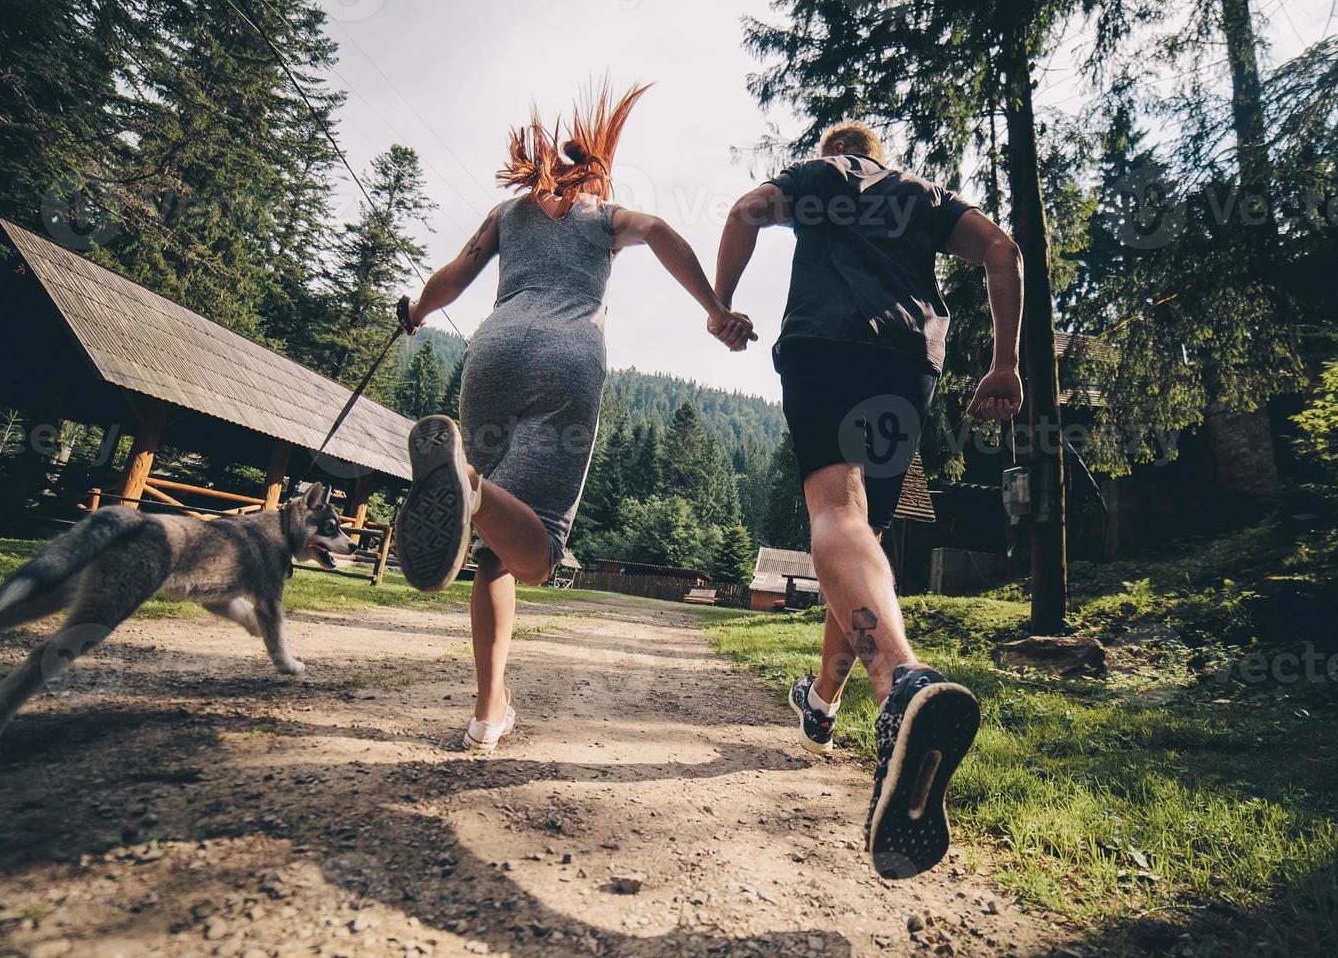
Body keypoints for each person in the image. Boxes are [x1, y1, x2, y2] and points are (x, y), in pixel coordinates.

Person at [395, 83, 757, 752]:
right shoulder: (604, 217)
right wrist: (713, 306)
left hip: (492, 353)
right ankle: (468, 487)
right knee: (537, 558)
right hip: (565, 360)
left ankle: (486, 715)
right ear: (596, 176)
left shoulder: (509, 213)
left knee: (492, 559)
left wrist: (416, 313)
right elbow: (662, 232)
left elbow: (459, 270)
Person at [714, 120, 1024, 879]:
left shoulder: (819, 177)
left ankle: (902, 684)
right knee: (863, 544)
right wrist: (1004, 362)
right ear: (881, 154)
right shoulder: (921, 193)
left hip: (826, 345)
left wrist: (720, 304)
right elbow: (1003, 251)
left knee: (836, 517)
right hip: (906, 362)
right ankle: (822, 702)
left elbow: (744, 211)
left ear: (833, 153)